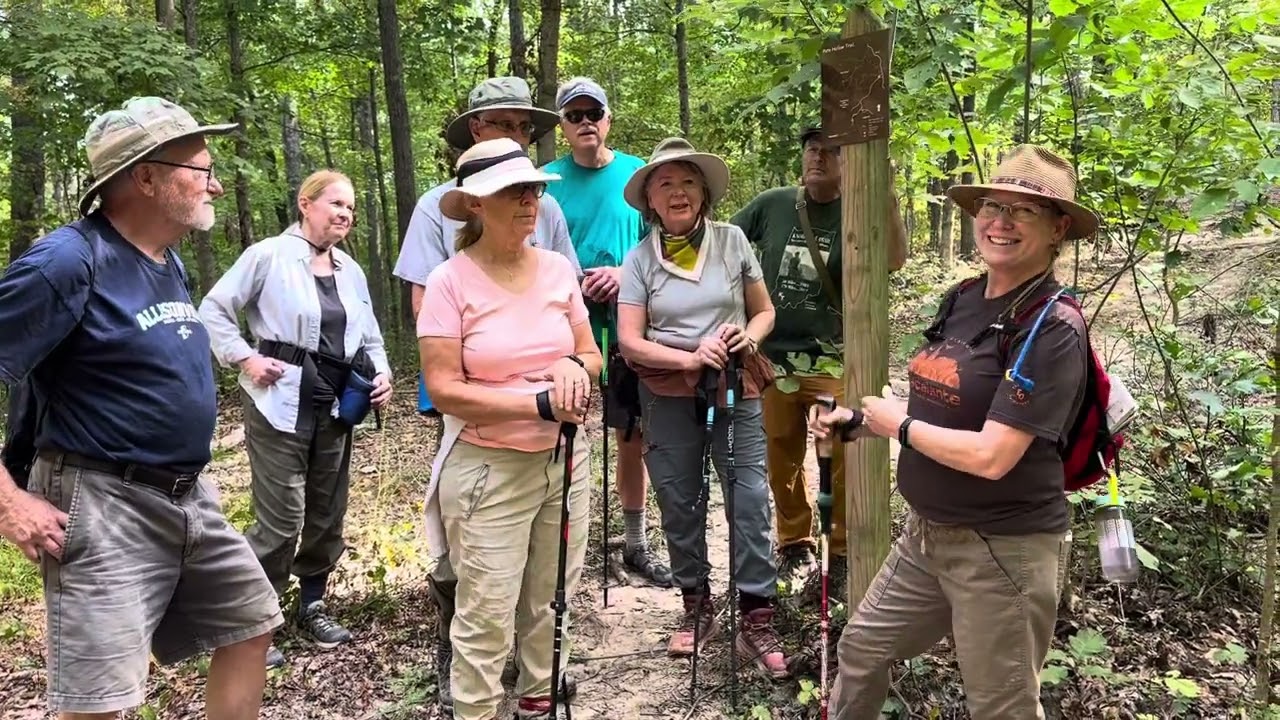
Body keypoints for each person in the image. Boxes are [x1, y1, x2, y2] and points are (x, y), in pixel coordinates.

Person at [0, 96, 281, 718]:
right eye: (200, 169)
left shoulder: (164, 260)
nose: (216, 182)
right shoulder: (66, 261)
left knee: (250, 624)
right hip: (102, 503)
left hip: (188, 495)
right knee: (100, 698)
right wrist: (10, 502)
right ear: (146, 177)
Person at [809, 145, 1099, 720]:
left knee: (1002, 706)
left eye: (1024, 212)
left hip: (1003, 548)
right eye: (992, 206)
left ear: (1057, 228)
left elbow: (994, 456)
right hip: (926, 537)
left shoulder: (1054, 325)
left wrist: (900, 427)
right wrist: (859, 422)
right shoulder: (964, 297)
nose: (1001, 222)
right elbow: (938, 397)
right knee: (862, 649)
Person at [391, 74, 583, 713]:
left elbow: (587, 350)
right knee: (486, 616)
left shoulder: (557, 269)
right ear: (477, 204)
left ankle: (537, 700)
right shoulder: (448, 282)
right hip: (487, 470)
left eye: (533, 189)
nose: (529, 201)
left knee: (549, 602)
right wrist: (536, 401)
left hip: (565, 463)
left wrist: (579, 371)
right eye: (513, 191)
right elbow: (444, 387)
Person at [198, 170, 393, 668]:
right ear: (306, 204)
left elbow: (368, 334)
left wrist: (384, 375)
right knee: (281, 519)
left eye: (350, 206)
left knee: (328, 510)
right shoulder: (267, 255)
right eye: (335, 203)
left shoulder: (350, 269)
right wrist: (245, 358)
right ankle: (250, 621)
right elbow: (215, 309)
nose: (345, 213)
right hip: (277, 400)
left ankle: (313, 604)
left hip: (337, 402)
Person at [616, 137, 789, 679]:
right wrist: (688, 354)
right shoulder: (639, 259)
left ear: (704, 192)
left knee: (750, 494)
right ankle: (696, 607)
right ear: (649, 200)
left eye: (687, 181)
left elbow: (765, 313)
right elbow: (629, 341)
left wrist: (747, 337)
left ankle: (757, 616)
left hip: (737, 386)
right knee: (678, 496)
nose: (677, 192)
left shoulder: (733, 240)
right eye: (664, 183)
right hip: (667, 392)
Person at [730, 125, 907, 598]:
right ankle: (795, 542)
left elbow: (894, 258)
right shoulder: (773, 204)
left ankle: (845, 551)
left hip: (835, 358)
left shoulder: (860, 207)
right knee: (780, 453)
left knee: (847, 451)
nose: (817, 157)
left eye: (830, 150)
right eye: (811, 148)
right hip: (772, 359)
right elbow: (723, 242)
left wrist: (884, 194)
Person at [542, 76, 672, 587]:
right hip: (561, 324)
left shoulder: (637, 176)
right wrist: (574, 282)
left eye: (592, 112)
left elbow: (662, 244)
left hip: (630, 322)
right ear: (563, 127)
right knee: (560, 425)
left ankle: (636, 541)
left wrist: (625, 275)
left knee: (632, 432)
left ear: (608, 118)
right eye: (574, 116)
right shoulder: (545, 180)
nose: (585, 123)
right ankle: (559, 545)